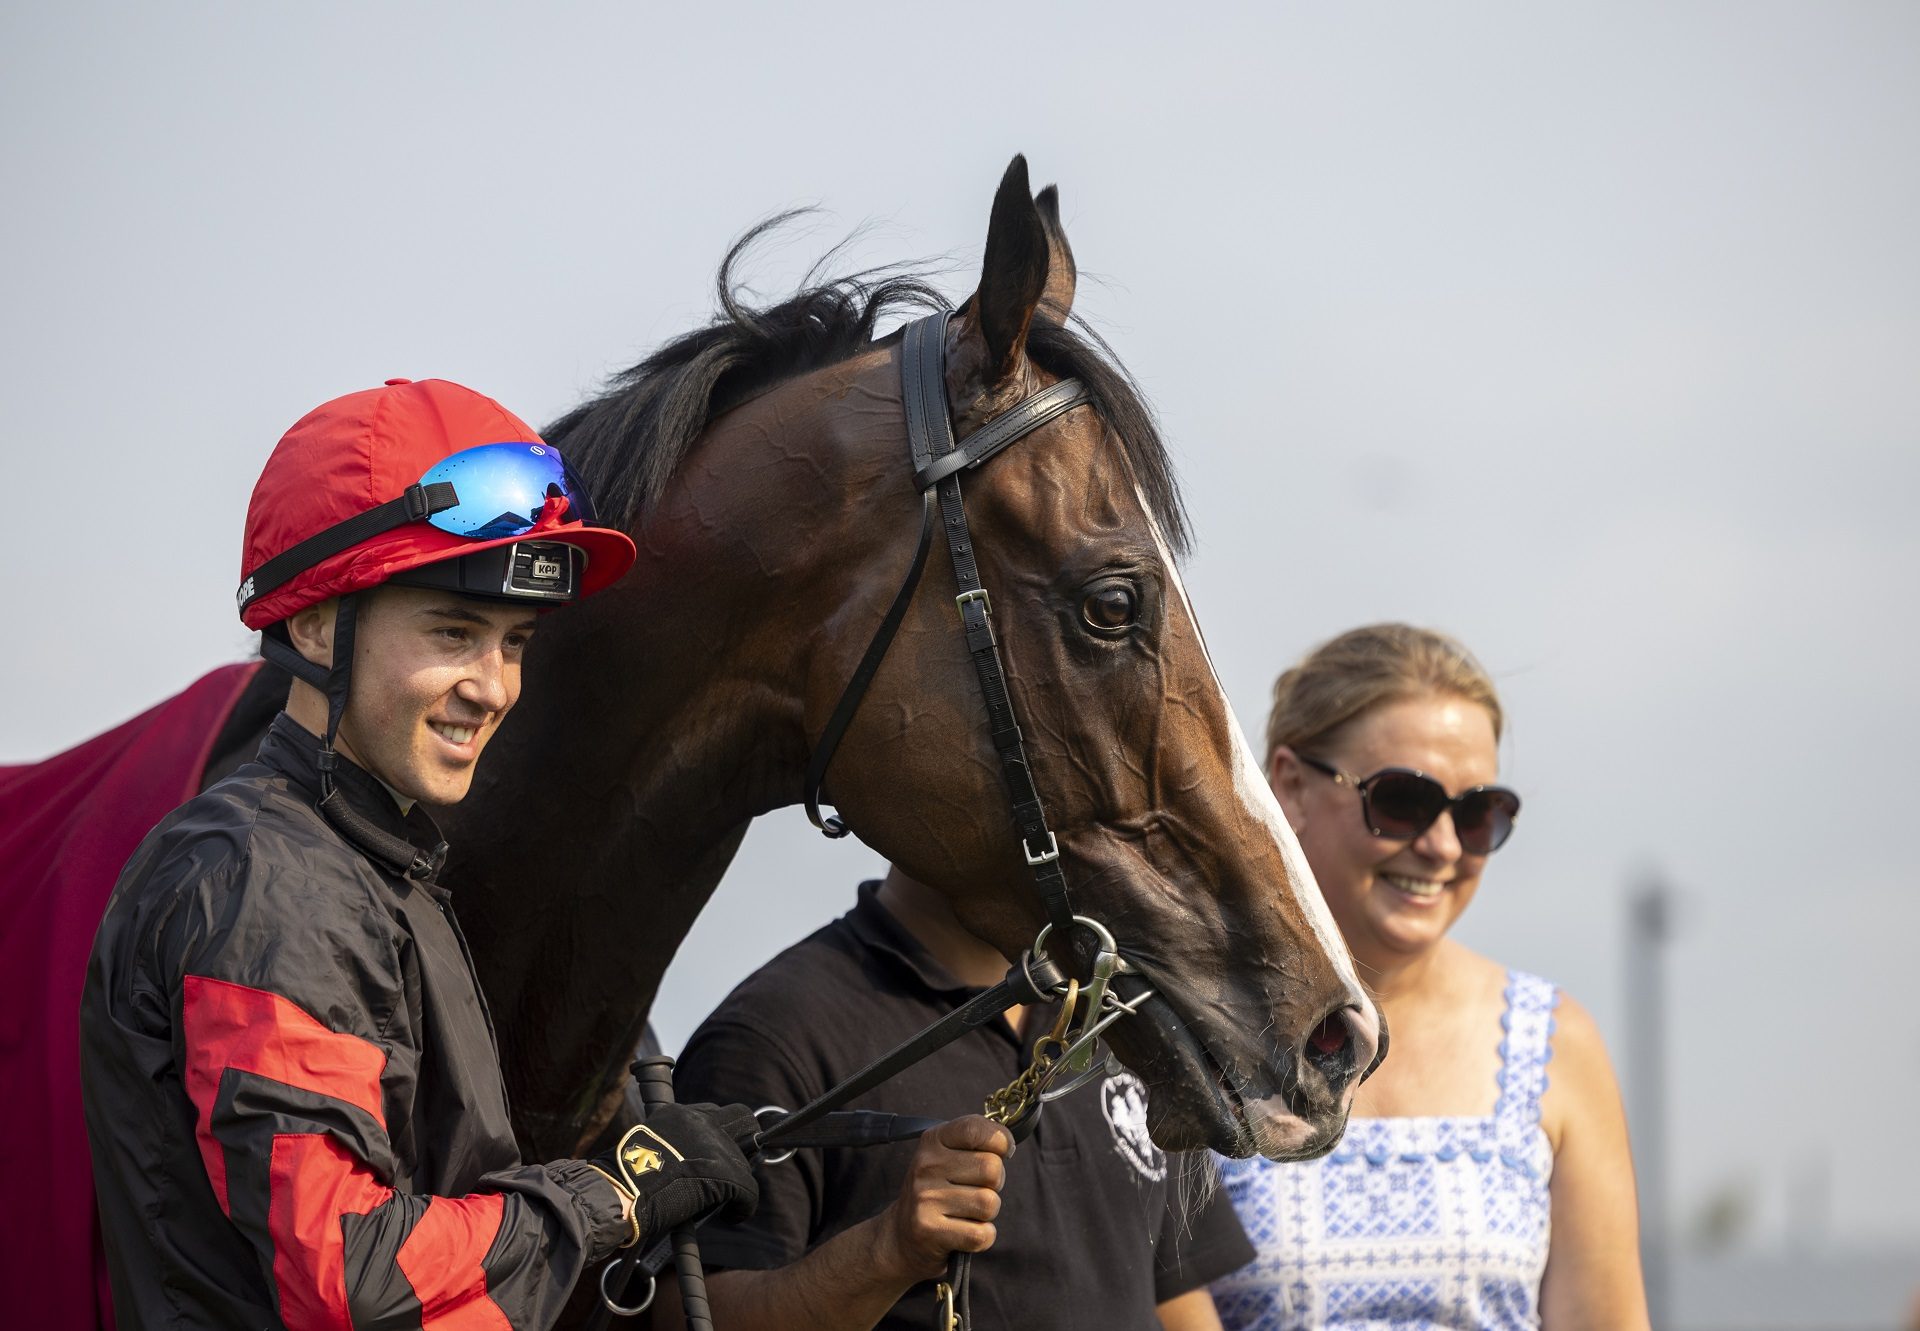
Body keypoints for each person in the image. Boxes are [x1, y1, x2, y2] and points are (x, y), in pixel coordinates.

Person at [80, 378, 761, 1331]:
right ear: (316, 621)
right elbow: (352, 1278)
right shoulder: (271, 883)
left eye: (513, 641)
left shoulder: (373, 860)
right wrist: (610, 1199)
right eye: (453, 632)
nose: (492, 688)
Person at [1209, 624, 1650, 1331]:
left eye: (1478, 813)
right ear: (1289, 784)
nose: (1443, 845)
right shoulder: (1181, 1033)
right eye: (1403, 801)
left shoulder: (1553, 1043)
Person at [660, 867, 1255, 1331]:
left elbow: (1177, 1290)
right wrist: (885, 1250)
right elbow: (688, 1316)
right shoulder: (770, 1035)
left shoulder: (1121, 1011)